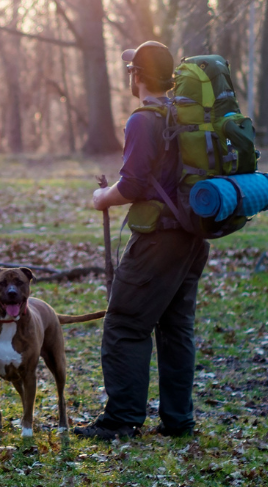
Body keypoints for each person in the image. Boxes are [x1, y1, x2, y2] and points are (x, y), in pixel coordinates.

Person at [74, 41, 210, 440]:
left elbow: (132, 185)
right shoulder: (183, 116)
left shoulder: (143, 120)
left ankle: (121, 420)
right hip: (193, 236)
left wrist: (102, 197)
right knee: (175, 329)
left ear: (136, 75)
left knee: (125, 324)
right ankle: (178, 420)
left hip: (159, 240)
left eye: (130, 70)